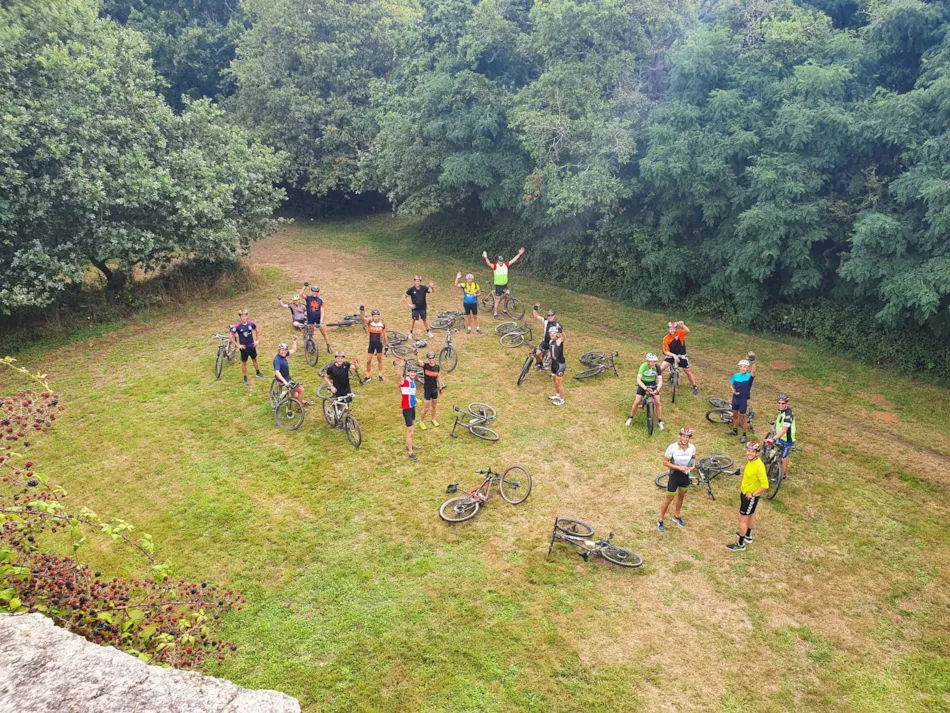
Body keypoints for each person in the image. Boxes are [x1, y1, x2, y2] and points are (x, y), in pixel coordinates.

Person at [727, 441, 769, 552]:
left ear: (757, 453)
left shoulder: (759, 466)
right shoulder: (751, 461)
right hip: (746, 493)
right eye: (748, 450)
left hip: (749, 496)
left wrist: (753, 494)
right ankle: (748, 535)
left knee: (741, 518)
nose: (749, 453)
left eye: (752, 451)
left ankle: (740, 544)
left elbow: (765, 485)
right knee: (751, 513)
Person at [657, 427, 696, 532]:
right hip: (674, 475)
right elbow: (665, 462)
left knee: (681, 496)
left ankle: (677, 516)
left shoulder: (692, 447)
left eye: (687, 437)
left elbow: (693, 457)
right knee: (669, 498)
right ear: (680, 436)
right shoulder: (672, 447)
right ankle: (661, 519)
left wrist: (692, 466)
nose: (685, 439)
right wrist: (679, 467)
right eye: (683, 436)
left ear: (689, 438)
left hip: (685, 475)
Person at [482, 248, 525, 318]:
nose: (501, 262)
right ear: (498, 261)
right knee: (498, 300)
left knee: (507, 297)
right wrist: (486, 257)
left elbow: (513, 260)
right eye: (500, 261)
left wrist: (519, 254)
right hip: (498, 286)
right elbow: (489, 263)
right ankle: (495, 314)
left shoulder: (506, 265)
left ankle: (505, 310)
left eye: (502, 261)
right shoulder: (495, 266)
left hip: (505, 285)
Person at [625, 353, 664, 430]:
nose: (654, 363)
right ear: (648, 361)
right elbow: (638, 380)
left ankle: (660, 421)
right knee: (637, 401)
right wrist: (645, 388)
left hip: (652, 384)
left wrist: (657, 390)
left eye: (655, 361)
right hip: (643, 383)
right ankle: (630, 418)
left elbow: (660, 381)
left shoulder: (657, 367)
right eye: (652, 361)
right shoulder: (643, 366)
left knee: (657, 402)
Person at [660, 320, 699, 395]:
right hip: (671, 355)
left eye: (674, 328)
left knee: (688, 372)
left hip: (681, 355)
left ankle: (695, 386)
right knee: (662, 368)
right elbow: (665, 351)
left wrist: (683, 325)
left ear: (676, 329)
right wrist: (674, 355)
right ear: (668, 329)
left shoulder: (680, 333)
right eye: (671, 329)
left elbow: (687, 331)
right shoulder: (666, 338)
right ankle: (652, 381)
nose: (672, 330)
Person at [727, 352, 756, 443]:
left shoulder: (749, 377)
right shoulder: (736, 375)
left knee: (743, 418)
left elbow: (754, 372)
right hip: (735, 398)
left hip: (743, 400)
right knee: (735, 415)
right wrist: (733, 390)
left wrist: (753, 362)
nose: (743, 368)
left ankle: (744, 435)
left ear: (747, 368)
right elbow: (731, 384)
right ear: (739, 367)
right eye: (741, 366)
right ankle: (734, 430)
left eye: (745, 367)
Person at [229, 309, 265, 385]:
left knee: (254, 359)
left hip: (252, 346)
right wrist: (238, 345)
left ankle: (258, 373)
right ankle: (245, 378)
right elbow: (230, 336)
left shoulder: (251, 323)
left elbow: (257, 330)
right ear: (240, 317)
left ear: (247, 316)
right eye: (242, 316)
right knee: (244, 363)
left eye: (245, 316)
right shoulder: (237, 326)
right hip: (244, 348)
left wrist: (257, 340)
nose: (244, 317)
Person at [396, 358, 419, 462]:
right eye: (411, 372)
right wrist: (400, 366)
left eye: (414, 372)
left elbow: (411, 394)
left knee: (412, 429)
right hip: (407, 409)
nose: (413, 374)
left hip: (413, 407)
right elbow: (399, 376)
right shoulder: (405, 381)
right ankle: (410, 452)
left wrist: (416, 400)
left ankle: (409, 445)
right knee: (410, 431)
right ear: (408, 373)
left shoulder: (413, 382)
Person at [417, 351, 445, 430]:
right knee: (426, 408)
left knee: (434, 406)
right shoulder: (425, 366)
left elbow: (439, 377)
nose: (431, 359)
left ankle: (433, 419)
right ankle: (421, 422)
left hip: (434, 390)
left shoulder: (437, 367)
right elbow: (419, 362)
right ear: (428, 359)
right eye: (430, 358)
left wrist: (440, 387)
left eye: (433, 358)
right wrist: (417, 356)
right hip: (427, 390)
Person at [360, 307, 388, 382]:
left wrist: (386, 345)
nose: (376, 318)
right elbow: (362, 317)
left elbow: (385, 335)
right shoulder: (369, 322)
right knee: (368, 361)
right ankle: (368, 376)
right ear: (372, 316)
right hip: (371, 345)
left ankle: (380, 375)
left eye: (377, 316)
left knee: (379, 360)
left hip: (379, 345)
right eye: (374, 316)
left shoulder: (382, 324)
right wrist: (362, 310)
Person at [774, 393, 796, 478]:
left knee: (784, 457)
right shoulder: (782, 411)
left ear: (787, 403)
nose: (780, 405)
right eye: (779, 403)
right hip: (781, 437)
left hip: (787, 439)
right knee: (782, 455)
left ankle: (782, 475)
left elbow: (784, 430)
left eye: (783, 403)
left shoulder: (788, 415)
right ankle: (782, 471)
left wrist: (774, 438)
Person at [532, 304, 561, 369]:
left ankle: (549, 363)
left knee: (550, 357)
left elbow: (560, 336)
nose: (550, 317)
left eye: (552, 315)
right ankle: (540, 364)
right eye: (548, 315)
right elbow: (537, 316)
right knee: (537, 354)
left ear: (554, 316)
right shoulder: (546, 321)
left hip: (553, 344)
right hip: (545, 342)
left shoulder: (557, 324)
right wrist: (534, 309)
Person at [305, 285, 332, 354]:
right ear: (312, 291)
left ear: (318, 292)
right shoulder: (308, 298)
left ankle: (328, 346)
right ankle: (311, 346)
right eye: (314, 291)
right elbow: (300, 294)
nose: (315, 293)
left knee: (324, 333)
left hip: (318, 319)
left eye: (316, 292)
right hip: (310, 319)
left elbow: (322, 310)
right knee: (311, 333)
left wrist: (321, 320)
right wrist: (304, 286)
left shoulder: (320, 300)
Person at [548, 326, 566, 406]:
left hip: (560, 365)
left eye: (554, 333)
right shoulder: (551, 342)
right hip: (553, 365)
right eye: (550, 333)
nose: (552, 334)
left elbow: (564, 338)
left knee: (559, 383)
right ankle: (557, 394)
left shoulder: (559, 341)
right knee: (554, 380)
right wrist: (548, 358)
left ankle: (561, 400)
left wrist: (561, 332)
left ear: (556, 334)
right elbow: (550, 351)